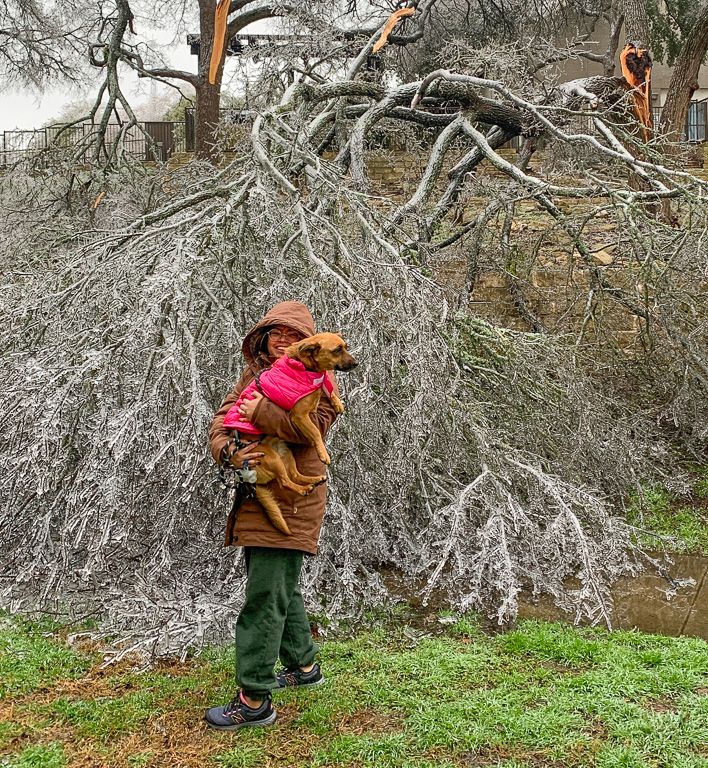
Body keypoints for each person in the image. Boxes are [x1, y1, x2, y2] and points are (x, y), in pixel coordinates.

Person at [205, 301, 339, 731]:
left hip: (292, 499)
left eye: (293, 335)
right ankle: (303, 667)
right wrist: (229, 450)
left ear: (310, 345)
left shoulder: (320, 381)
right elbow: (223, 419)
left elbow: (310, 425)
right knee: (279, 587)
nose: (283, 341)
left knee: (265, 599)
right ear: (264, 338)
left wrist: (255, 413)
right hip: (256, 492)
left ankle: (254, 699)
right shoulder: (256, 377)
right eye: (275, 332)